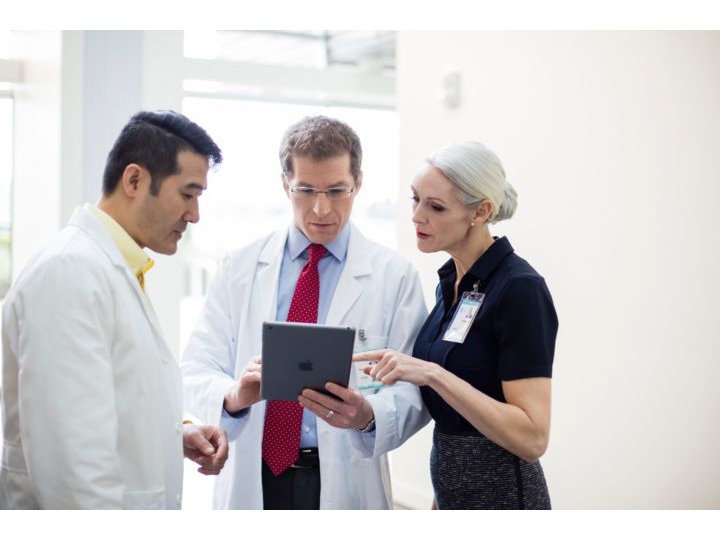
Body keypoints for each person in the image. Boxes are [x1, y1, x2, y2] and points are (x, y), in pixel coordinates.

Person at [181, 115, 429, 509]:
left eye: (337, 190)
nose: (321, 208)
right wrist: (233, 395)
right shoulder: (240, 268)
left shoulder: (393, 277)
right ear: (285, 184)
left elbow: (415, 387)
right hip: (255, 474)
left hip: (347, 478)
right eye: (306, 190)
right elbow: (196, 366)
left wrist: (367, 415)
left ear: (358, 183)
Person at [0, 110, 229, 509]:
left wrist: (175, 432)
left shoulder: (112, 267)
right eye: (189, 194)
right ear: (135, 180)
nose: (194, 215)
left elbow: (112, 399)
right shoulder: (70, 273)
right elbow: (75, 468)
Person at [354, 141, 558, 509]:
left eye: (435, 207)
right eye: (415, 199)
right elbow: (456, 421)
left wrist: (434, 375)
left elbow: (532, 438)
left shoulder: (519, 289)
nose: (417, 216)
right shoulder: (453, 284)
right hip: (452, 493)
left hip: (504, 500)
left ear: (480, 212)